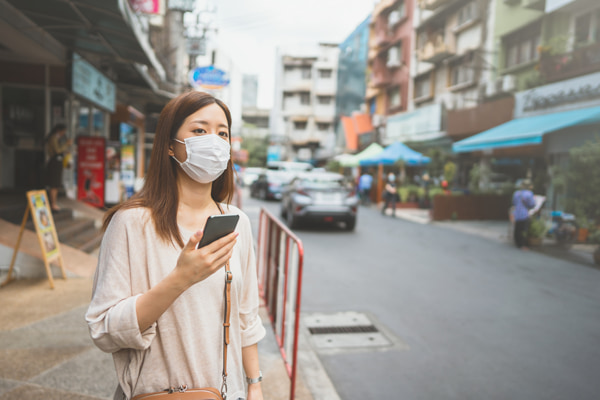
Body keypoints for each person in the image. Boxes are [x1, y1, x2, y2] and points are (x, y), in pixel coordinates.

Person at [85, 91, 266, 400]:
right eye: (199, 130)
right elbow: (104, 329)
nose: (214, 142)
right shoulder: (132, 223)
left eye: (223, 133)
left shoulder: (237, 222)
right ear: (170, 145)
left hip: (230, 392)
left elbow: (246, 316)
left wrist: (255, 384)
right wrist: (180, 280)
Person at [44, 123, 72, 212]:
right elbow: (57, 150)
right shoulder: (53, 138)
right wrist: (66, 144)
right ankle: (53, 203)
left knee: (56, 184)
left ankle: (54, 203)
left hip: (58, 161)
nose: (64, 133)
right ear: (58, 130)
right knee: (54, 183)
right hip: (54, 161)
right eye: (63, 131)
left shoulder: (58, 138)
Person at [512, 179, 536, 250]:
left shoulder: (516, 193)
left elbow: (514, 202)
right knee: (524, 230)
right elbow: (532, 204)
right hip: (524, 214)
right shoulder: (529, 193)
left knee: (517, 229)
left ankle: (517, 243)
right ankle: (523, 245)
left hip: (517, 213)